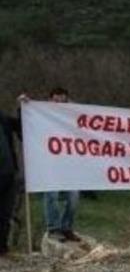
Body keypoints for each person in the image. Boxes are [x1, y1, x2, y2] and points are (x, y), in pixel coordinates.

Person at [43, 87, 81, 242]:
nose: (59, 103)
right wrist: (23, 107)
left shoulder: (71, 116)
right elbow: (25, 121)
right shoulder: (42, 114)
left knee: (73, 196)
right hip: (49, 164)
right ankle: (53, 228)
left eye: (63, 100)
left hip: (69, 164)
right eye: (56, 100)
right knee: (51, 196)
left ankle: (66, 228)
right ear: (50, 100)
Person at [0, 97, 26, 256]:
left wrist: (23, 109)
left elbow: (23, 129)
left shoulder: (2, 118)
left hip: (8, 174)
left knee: (5, 214)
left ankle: (2, 248)